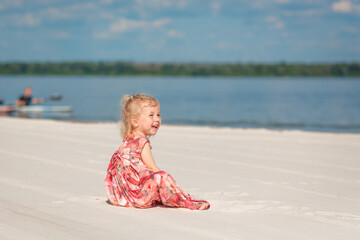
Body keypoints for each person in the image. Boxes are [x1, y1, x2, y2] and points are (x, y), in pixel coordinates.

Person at [105, 94, 210, 210]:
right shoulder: (141, 142)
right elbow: (152, 168)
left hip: (122, 195)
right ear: (135, 121)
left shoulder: (127, 141)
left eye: (158, 115)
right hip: (138, 196)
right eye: (151, 115)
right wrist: (165, 183)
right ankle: (187, 202)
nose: (157, 119)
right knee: (162, 177)